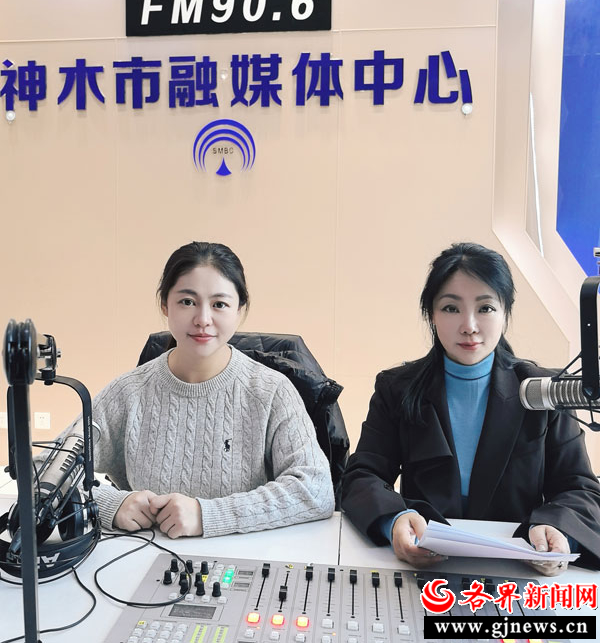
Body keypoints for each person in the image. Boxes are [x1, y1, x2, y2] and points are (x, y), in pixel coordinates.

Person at [341, 242, 600, 575]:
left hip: (519, 570)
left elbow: (579, 488)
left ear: (505, 312)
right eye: (451, 308)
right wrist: (393, 519)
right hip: (425, 568)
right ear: (431, 315)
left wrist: (557, 530)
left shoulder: (544, 391)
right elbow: (363, 475)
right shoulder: (397, 388)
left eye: (486, 308)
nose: (469, 325)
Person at [70, 241, 334, 538]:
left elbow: (317, 490)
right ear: (164, 305)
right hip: (143, 556)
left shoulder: (271, 392)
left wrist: (207, 515)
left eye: (219, 304)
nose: (203, 320)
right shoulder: (127, 392)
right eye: (187, 301)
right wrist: (109, 504)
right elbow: (43, 474)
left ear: (239, 311)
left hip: (243, 558)